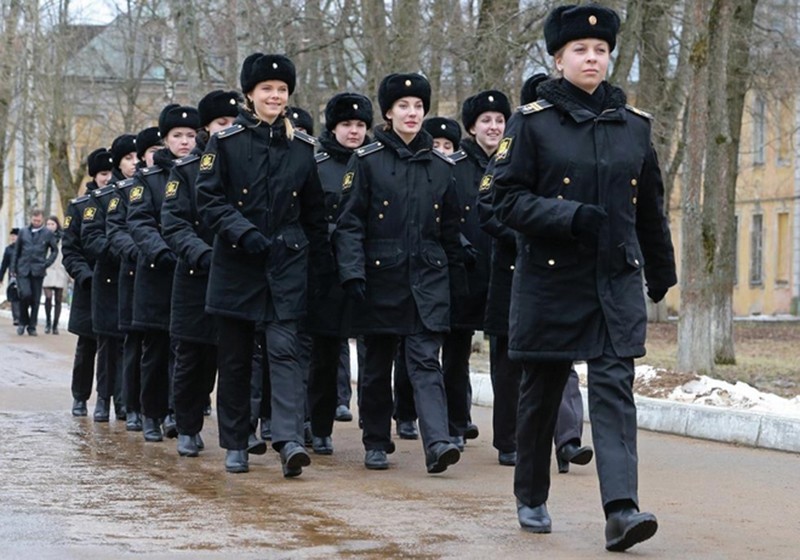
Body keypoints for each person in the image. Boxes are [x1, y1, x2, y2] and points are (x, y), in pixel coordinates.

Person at [491, 4, 677, 550]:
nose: (592, 57)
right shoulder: (532, 121)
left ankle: (622, 509)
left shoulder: (634, 127)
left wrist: (661, 268)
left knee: (615, 392)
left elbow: (650, 208)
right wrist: (567, 216)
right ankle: (530, 493)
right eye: (580, 50)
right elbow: (504, 200)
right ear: (558, 58)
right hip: (551, 281)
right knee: (542, 393)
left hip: (614, 279)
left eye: (600, 50)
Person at [197, 53, 331, 476]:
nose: (275, 96)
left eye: (282, 90)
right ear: (250, 95)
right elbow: (209, 199)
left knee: (285, 352)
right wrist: (242, 230)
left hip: (286, 263)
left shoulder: (302, 147)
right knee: (235, 357)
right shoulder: (226, 141)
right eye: (267, 89)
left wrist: (319, 265)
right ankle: (236, 441)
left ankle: (289, 439)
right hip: (238, 263)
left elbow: (313, 214)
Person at [334, 72, 465, 474]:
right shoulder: (367, 160)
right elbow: (349, 222)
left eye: (418, 107)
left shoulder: (442, 166)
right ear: (388, 113)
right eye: (403, 107)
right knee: (377, 365)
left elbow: (451, 231)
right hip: (380, 277)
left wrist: (458, 273)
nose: (412, 113)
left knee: (426, 361)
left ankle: (438, 442)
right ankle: (376, 440)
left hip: (428, 278)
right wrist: (352, 273)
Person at [478, 74, 593, 471]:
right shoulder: (505, 158)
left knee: (566, 363)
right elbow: (491, 209)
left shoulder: (580, 156)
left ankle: (568, 440)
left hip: (566, 271)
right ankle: (511, 441)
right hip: (516, 271)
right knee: (511, 367)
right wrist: (530, 233)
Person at [162, 89, 241, 457]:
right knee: (192, 358)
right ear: (206, 129)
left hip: (237, 276)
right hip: (196, 277)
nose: (228, 130)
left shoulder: (246, 166)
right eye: (221, 124)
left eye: (233, 123)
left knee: (235, 359)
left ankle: (238, 433)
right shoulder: (185, 171)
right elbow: (174, 223)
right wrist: (204, 254)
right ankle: (188, 426)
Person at [305, 92, 373, 455]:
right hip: (327, 272)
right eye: (347, 125)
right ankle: (319, 424)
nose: (354, 131)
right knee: (325, 354)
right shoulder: (316, 166)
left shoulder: (374, 163)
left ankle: (376, 426)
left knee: (374, 352)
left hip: (370, 268)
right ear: (334, 127)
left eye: (360, 125)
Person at [128, 105, 199, 442]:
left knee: (187, 351)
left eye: (189, 135)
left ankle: (180, 413)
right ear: (165, 139)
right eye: (177, 136)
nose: (184, 142)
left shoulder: (202, 172)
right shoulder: (148, 178)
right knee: (155, 350)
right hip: (158, 274)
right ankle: (152, 413)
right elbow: (139, 222)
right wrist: (163, 251)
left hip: (192, 271)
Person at [107, 126, 162, 431]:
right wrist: (142, 252)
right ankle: (132, 405)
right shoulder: (124, 192)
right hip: (134, 274)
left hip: (167, 273)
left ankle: (163, 407)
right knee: (135, 343)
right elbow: (116, 231)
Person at [82, 136, 138, 423]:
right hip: (109, 279)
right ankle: (103, 398)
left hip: (139, 277)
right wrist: (119, 252)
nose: (135, 163)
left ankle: (127, 399)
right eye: (128, 158)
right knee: (107, 345)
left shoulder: (144, 189)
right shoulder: (102, 198)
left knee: (132, 344)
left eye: (137, 156)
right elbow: (90, 237)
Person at [62, 149, 113, 415]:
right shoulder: (79, 207)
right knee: (87, 346)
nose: (108, 178)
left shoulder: (123, 200)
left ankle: (110, 399)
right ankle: (80, 396)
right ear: (94, 175)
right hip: (89, 286)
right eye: (104, 173)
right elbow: (70, 250)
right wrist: (85, 276)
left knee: (113, 347)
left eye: (111, 173)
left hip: (115, 285)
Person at [13, 209, 58, 336]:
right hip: (23, 268)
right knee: (24, 294)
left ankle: (32, 326)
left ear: (42, 219)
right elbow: (16, 251)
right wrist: (13, 268)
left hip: (38, 270)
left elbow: (54, 250)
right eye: (34, 220)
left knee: (35, 300)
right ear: (31, 219)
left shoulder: (47, 234)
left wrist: (46, 263)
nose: (36, 222)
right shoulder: (23, 232)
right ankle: (22, 322)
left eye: (38, 220)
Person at [42, 217, 69, 335]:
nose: (50, 226)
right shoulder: (42, 237)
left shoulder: (64, 237)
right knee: (48, 297)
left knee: (58, 299)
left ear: (57, 225)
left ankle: (55, 325)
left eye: (52, 224)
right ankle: (48, 322)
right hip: (47, 269)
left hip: (60, 270)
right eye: (48, 224)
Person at [1, 228, 21, 326]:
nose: (13, 238)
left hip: (23, 275)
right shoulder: (8, 249)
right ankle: (16, 317)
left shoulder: (23, 248)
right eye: (11, 236)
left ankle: (22, 316)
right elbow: (4, 264)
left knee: (23, 296)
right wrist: (1, 277)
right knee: (14, 297)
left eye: (15, 236)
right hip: (12, 275)